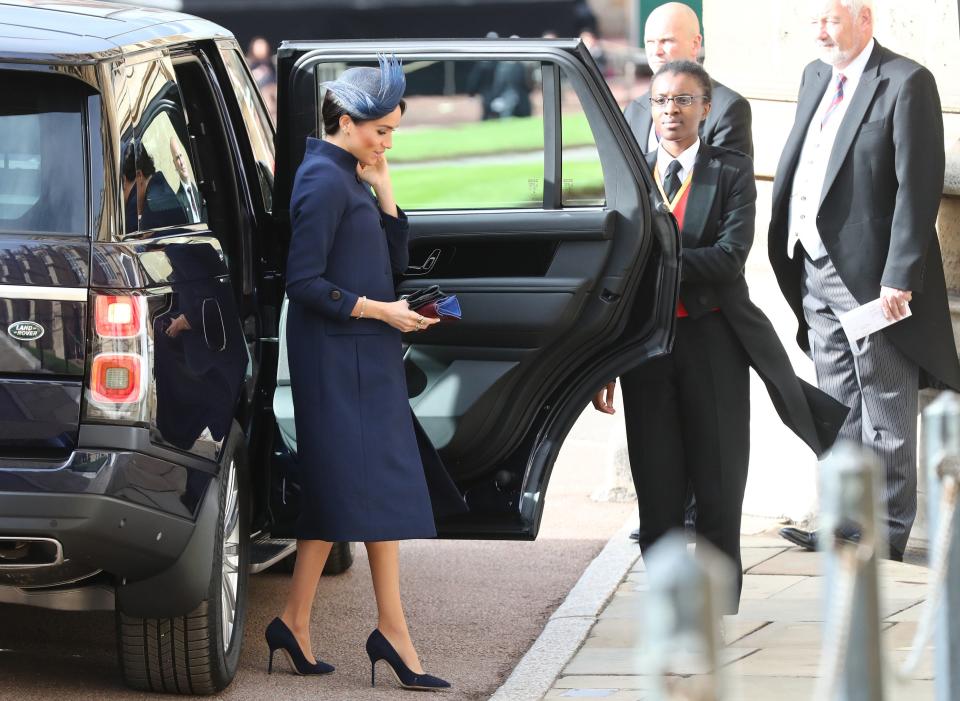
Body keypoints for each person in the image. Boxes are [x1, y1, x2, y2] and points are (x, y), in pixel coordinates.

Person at [592, 61, 846, 611]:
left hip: (714, 346)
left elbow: (729, 260)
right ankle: (665, 607)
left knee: (718, 483)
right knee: (656, 486)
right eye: (661, 102)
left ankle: (718, 610)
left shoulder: (729, 173)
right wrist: (604, 360)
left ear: (707, 108)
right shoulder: (628, 174)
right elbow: (611, 264)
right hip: (645, 349)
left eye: (683, 101)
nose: (671, 112)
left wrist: (653, 262)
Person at [267, 55, 464, 690]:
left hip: (364, 354)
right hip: (338, 359)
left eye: (392, 132)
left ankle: (296, 621)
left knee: (351, 491)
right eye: (381, 131)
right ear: (346, 121)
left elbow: (392, 261)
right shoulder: (320, 182)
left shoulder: (348, 174)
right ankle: (391, 634)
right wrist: (380, 310)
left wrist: (383, 185)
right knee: (363, 488)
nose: (387, 142)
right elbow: (304, 282)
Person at [770, 0, 960, 561]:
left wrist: (899, 275)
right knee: (835, 405)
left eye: (832, 19)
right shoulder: (814, 77)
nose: (822, 32)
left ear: (864, 18)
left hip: (874, 280)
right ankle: (843, 521)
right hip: (812, 265)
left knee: (885, 405)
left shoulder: (905, 82)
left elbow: (918, 186)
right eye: (815, 22)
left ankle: (888, 532)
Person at [623, 2, 753, 158]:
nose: (656, 51)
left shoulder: (728, 109)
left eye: (666, 41)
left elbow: (725, 179)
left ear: (695, 44)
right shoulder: (635, 110)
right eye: (650, 42)